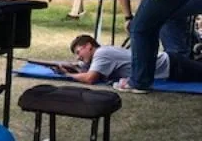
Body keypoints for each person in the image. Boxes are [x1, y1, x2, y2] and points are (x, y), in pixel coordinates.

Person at [61, 34, 202, 88]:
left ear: (89, 46)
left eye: (78, 52)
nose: (78, 57)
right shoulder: (101, 52)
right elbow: (83, 67)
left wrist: (67, 75)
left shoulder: (102, 54)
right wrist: (73, 67)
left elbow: (90, 78)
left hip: (172, 66)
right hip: (171, 65)